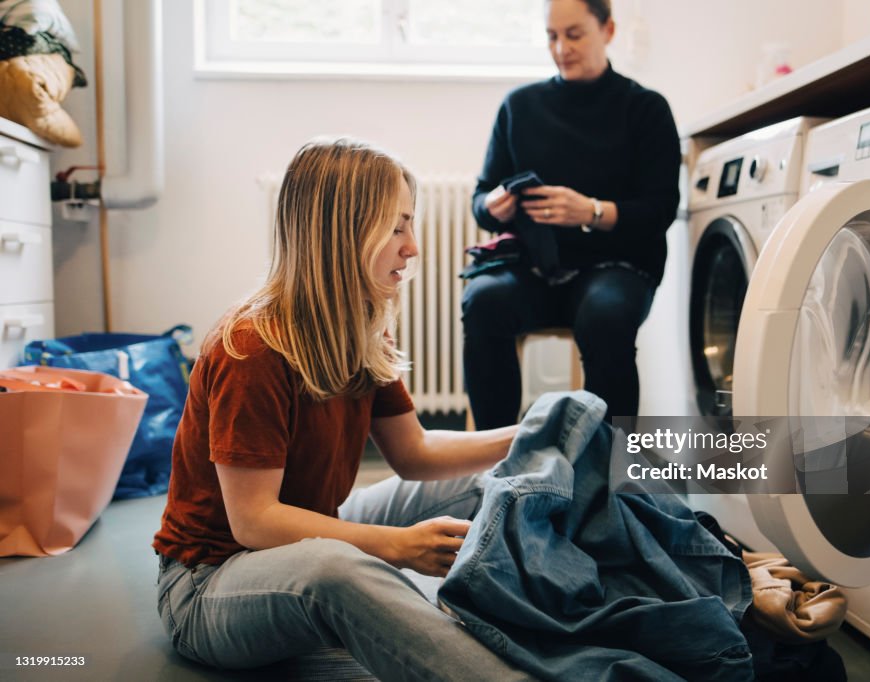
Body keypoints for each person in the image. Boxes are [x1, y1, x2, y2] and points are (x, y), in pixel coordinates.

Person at [152, 138, 534, 681]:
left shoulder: (361, 325)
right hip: (208, 584)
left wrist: (528, 434)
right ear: (342, 232)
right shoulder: (251, 347)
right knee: (335, 567)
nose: (414, 248)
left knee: (494, 480)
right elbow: (255, 521)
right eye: (397, 227)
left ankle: (561, 616)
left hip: (309, 534)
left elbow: (414, 453)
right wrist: (395, 546)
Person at [463, 0, 681, 429]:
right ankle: (491, 461)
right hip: (533, 267)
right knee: (483, 301)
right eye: (551, 36)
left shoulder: (646, 109)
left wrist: (592, 211)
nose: (561, 48)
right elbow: (481, 198)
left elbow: (660, 210)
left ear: (609, 30)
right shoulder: (519, 107)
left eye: (574, 34)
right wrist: (493, 205)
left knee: (606, 317)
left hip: (617, 267)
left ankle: (605, 472)